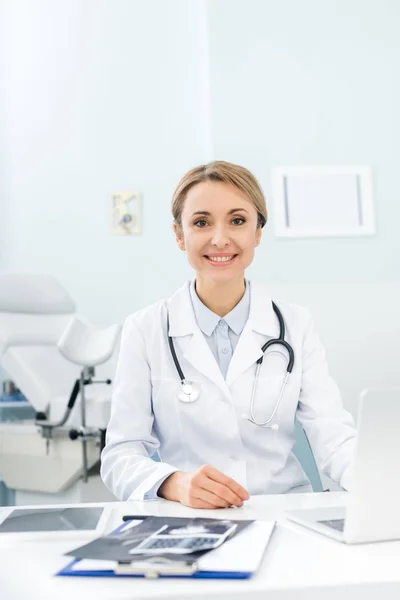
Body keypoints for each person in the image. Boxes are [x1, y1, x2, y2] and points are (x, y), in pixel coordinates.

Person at [101, 161, 356, 509]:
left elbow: (333, 437)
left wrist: (378, 483)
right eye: (201, 222)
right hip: (188, 517)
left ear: (257, 233)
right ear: (179, 234)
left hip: (284, 509)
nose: (219, 239)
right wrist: (174, 483)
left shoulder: (296, 325)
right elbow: (120, 454)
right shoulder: (145, 330)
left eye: (237, 221)